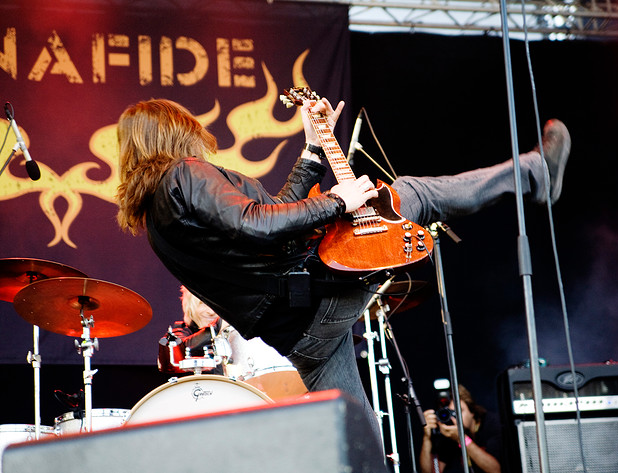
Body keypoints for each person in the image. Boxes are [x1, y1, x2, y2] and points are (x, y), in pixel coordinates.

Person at [115, 96, 571, 447]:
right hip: (318, 293)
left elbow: (272, 214)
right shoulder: (183, 174)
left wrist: (314, 150)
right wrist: (339, 201)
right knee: (406, 195)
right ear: (177, 132)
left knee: (360, 443)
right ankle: (534, 173)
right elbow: (259, 224)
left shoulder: (157, 217)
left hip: (302, 335)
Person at [158, 285, 307, 399]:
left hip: (244, 397)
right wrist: (214, 329)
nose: (210, 311)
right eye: (202, 304)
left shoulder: (236, 333)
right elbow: (171, 352)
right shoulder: (181, 330)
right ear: (190, 307)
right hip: (203, 401)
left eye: (216, 306)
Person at [420, 384, 501, 473]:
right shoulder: (450, 434)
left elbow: (495, 470)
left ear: (472, 411)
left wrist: (462, 439)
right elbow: (432, 471)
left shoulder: (492, 424)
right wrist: (427, 437)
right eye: (449, 413)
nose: (454, 418)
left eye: (458, 411)